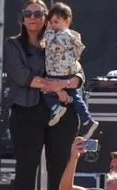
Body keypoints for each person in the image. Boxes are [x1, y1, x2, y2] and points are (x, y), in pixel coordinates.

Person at [3, 0, 82, 190]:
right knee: (27, 167)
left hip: (61, 112)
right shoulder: (14, 44)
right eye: (28, 13)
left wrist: (68, 82)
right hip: (26, 111)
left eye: (38, 13)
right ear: (22, 18)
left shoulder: (59, 37)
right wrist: (55, 86)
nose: (33, 17)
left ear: (47, 17)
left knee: (59, 166)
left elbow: (78, 73)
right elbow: (21, 76)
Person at [40, 3, 93, 132]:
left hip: (57, 73)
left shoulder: (60, 36)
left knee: (47, 92)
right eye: (51, 22)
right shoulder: (73, 37)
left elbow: (45, 44)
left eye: (56, 22)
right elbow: (77, 54)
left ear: (67, 21)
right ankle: (86, 118)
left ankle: (57, 108)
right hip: (66, 72)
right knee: (74, 97)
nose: (53, 25)